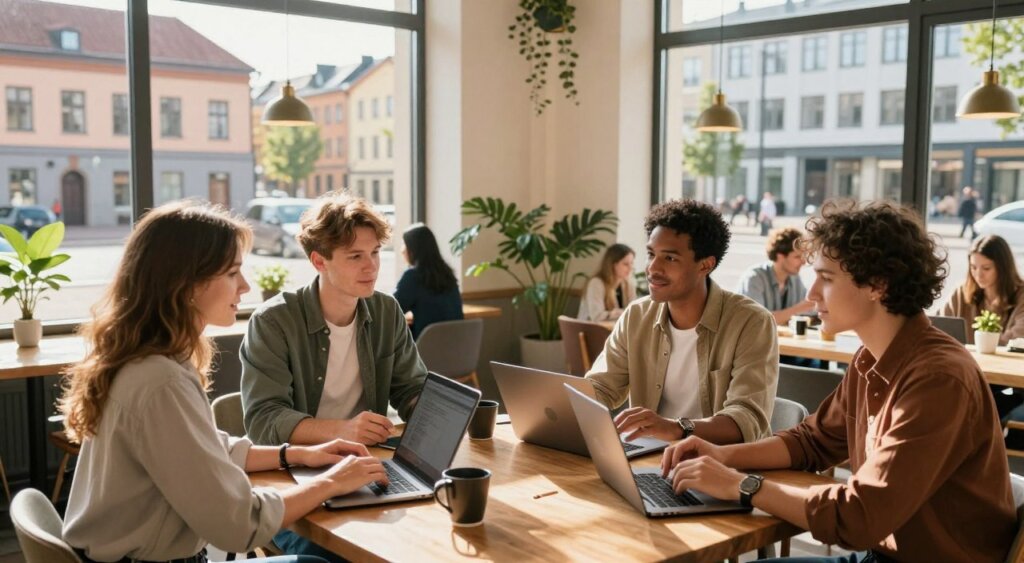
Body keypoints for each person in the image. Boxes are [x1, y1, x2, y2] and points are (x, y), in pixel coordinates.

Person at [660, 201, 1015, 563]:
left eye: (826, 278)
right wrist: (722, 455)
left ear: (877, 284)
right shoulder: (869, 359)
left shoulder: (938, 379)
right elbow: (811, 442)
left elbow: (859, 516)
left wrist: (741, 484)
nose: (811, 294)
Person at [60, 201, 387, 563]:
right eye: (233, 273)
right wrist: (332, 482)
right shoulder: (160, 381)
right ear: (186, 285)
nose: (245, 287)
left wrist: (296, 454)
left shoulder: (148, 360)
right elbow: (239, 524)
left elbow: (203, 450)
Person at [241, 192, 426, 561]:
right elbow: (264, 421)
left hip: (368, 468)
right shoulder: (273, 322)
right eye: (355, 256)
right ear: (319, 261)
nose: (370, 267)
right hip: (294, 483)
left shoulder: (386, 310)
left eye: (374, 253)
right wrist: (343, 429)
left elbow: (411, 388)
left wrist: (432, 411)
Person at [584, 199, 778, 445]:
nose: (653, 268)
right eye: (651, 254)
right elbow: (600, 388)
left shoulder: (751, 322)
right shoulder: (636, 316)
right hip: (650, 459)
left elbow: (747, 420)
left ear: (706, 265)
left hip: (723, 466)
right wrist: (558, 406)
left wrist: (675, 428)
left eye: (670, 258)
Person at [943, 234, 1024, 346]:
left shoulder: (1021, 295)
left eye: (986, 268)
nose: (978, 275)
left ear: (1003, 268)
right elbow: (939, 325)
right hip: (964, 361)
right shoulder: (961, 293)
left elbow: (1019, 338)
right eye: (973, 267)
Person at [394, 223, 464, 339]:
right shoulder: (448, 274)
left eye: (404, 245)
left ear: (413, 249)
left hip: (426, 349)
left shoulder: (413, 276)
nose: (402, 250)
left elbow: (392, 310)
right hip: (457, 350)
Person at [735, 227, 815, 326]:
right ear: (780, 256)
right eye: (797, 257)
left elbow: (810, 309)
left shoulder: (794, 278)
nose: (803, 262)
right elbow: (757, 321)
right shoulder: (754, 278)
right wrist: (799, 309)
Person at [577, 243, 637, 323]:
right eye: (625, 264)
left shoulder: (629, 285)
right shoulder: (596, 283)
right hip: (590, 331)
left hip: (613, 332)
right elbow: (596, 317)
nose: (631, 268)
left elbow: (634, 313)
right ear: (613, 265)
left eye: (632, 263)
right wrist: (619, 313)